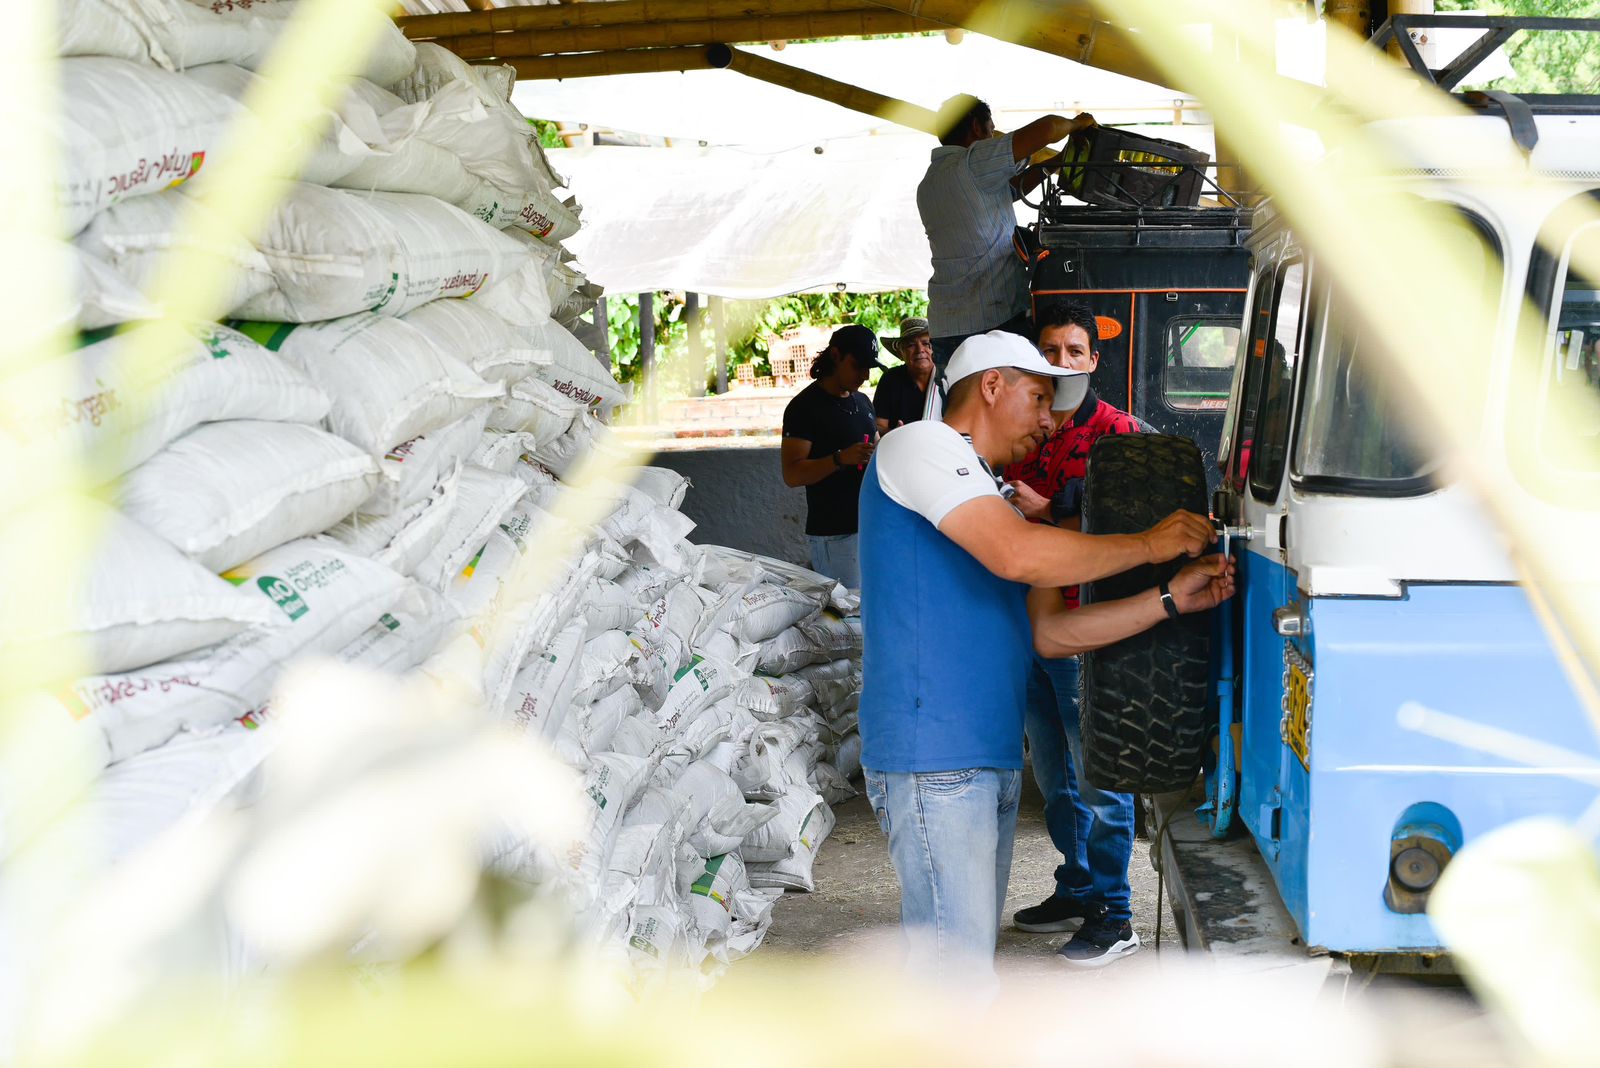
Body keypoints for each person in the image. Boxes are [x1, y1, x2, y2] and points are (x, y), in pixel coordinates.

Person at [857, 329, 1232, 985]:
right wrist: (1147, 544)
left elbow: (1053, 634)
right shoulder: (917, 445)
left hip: (983, 757)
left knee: (964, 968)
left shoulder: (986, 492)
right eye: (1037, 397)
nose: (1048, 420)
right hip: (933, 758)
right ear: (992, 386)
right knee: (954, 980)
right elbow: (1019, 555)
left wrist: (1170, 598)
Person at [1002, 303, 1148, 968]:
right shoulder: (1021, 425)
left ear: (1093, 360)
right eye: (1049, 351)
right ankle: (1078, 885)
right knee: (1054, 774)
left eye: (1072, 351)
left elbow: (1145, 528)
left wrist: (1053, 513)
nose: (1060, 363)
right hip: (1025, 626)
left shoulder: (1123, 437)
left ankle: (1116, 916)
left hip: (1084, 632)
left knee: (1099, 778)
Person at [916, 96, 1096, 400]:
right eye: (990, 128)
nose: (992, 134)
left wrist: (1056, 162)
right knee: (1014, 411)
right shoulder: (971, 162)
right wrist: (1079, 124)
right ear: (976, 126)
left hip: (948, 327)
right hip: (991, 322)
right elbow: (1048, 127)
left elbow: (1009, 190)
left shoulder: (931, 181)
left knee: (966, 416)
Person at [780, 324, 884, 588]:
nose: (864, 375)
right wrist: (839, 459)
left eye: (869, 367)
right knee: (847, 617)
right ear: (836, 356)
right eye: (857, 365)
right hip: (834, 534)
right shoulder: (804, 407)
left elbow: (872, 446)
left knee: (870, 613)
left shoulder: (863, 402)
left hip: (870, 527)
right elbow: (792, 474)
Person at [873, 316, 934, 434]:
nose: (920, 350)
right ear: (901, 353)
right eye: (911, 345)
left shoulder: (946, 378)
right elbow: (878, 426)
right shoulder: (890, 380)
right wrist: (895, 433)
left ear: (935, 348)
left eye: (926, 343)